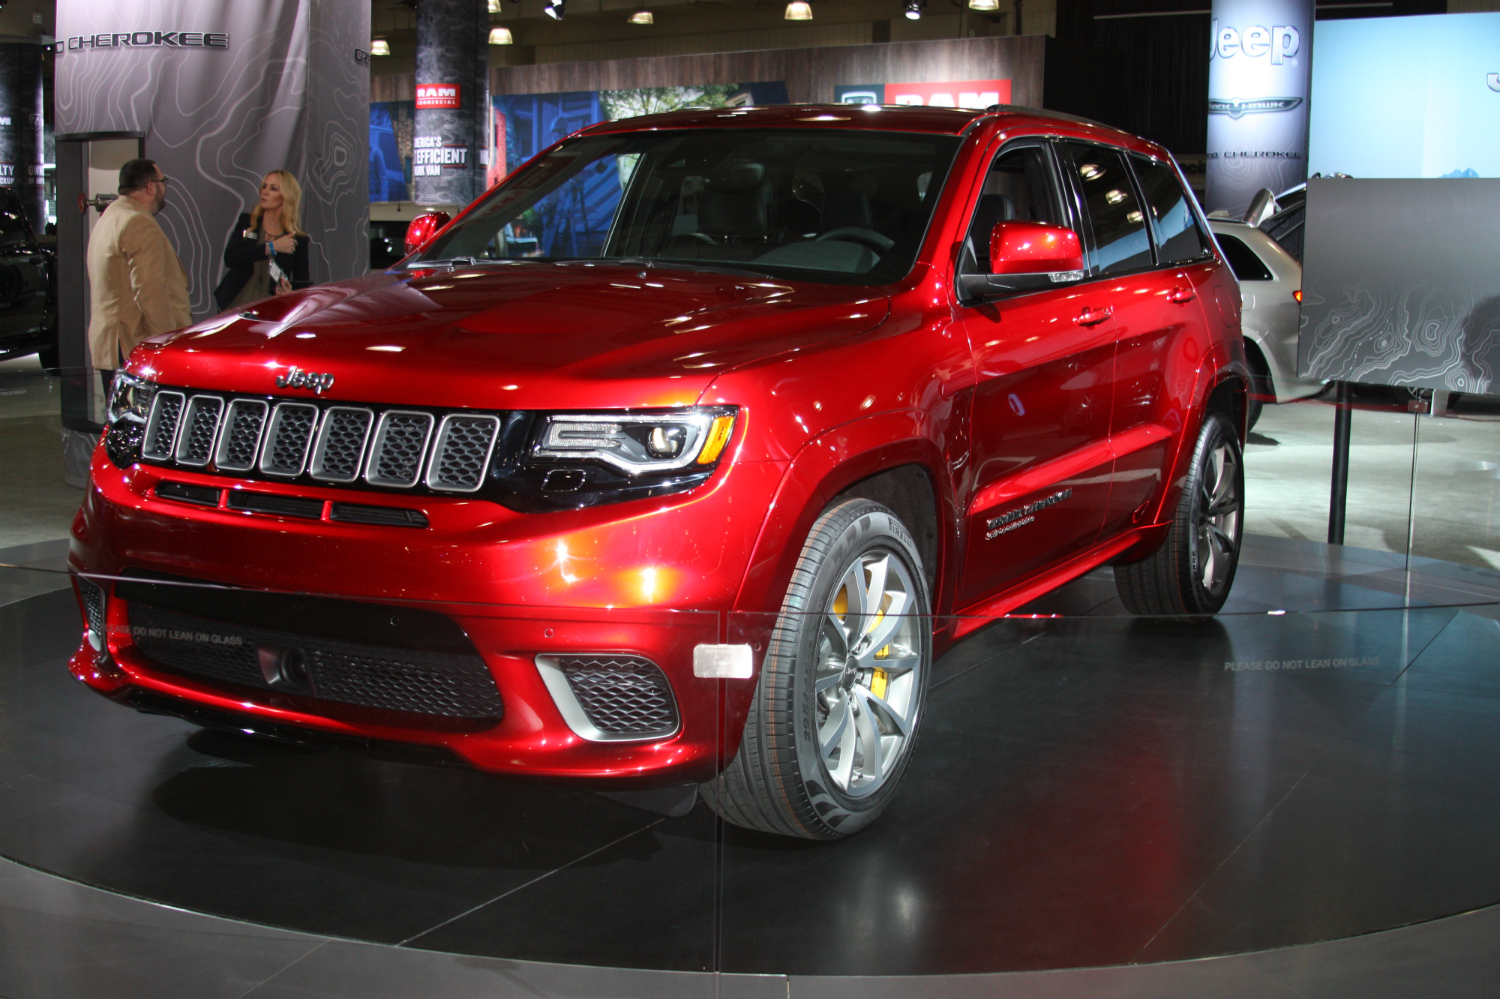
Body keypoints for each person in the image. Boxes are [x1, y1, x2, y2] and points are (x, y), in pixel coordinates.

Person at [86, 158, 192, 391]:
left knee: (121, 422)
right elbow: (150, 290)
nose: (165, 188)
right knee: (143, 425)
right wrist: (165, 345)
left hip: (112, 342)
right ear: (150, 186)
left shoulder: (111, 216)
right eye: (163, 182)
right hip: (134, 345)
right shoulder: (138, 222)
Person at [214, 170, 311, 311]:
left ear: (286, 197)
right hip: (234, 304)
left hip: (270, 311)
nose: (265, 192)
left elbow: (302, 285)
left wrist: (290, 294)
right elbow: (231, 257)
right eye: (264, 186)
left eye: (273, 189)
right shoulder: (247, 222)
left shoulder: (297, 240)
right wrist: (271, 247)